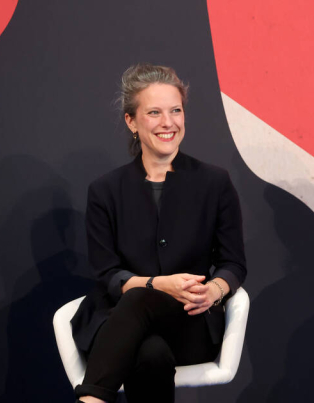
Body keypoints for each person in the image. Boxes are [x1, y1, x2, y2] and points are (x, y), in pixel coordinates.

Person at [70, 64, 247, 403]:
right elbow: (107, 274)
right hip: (122, 320)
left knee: (143, 309)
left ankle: (90, 399)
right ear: (131, 122)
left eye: (176, 111)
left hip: (190, 322)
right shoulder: (106, 190)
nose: (169, 123)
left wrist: (212, 291)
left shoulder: (214, 183)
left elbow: (233, 264)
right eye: (154, 113)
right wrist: (156, 285)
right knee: (149, 354)